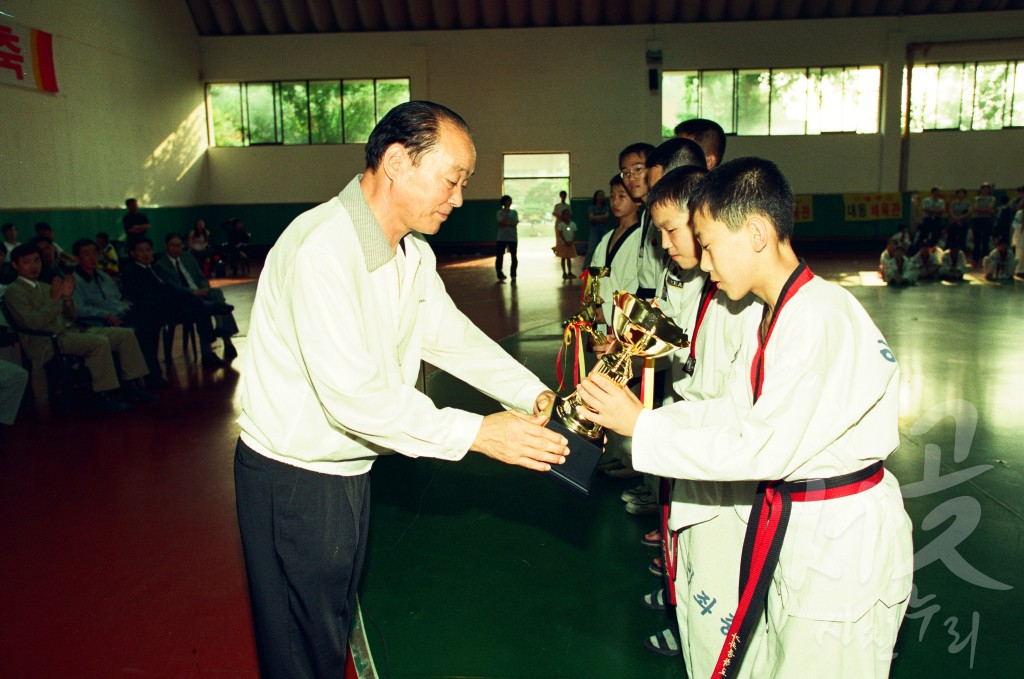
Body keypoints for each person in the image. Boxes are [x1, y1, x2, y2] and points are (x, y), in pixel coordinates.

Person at [233, 101, 569, 679]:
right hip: (295, 480)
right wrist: (478, 434)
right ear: (395, 162)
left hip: (349, 470)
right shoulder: (322, 250)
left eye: (463, 183)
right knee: (299, 646)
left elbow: (449, 336)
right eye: (452, 179)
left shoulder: (409, 252)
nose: (459, 198)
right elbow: (355, 398)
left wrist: (530, 393)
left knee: (328, 625)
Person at [576, 157, 913, 679]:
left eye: (708, 244)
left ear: (756, 233)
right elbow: (732, 411)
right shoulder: (777, 314)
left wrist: (643, 428)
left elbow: (762, 446)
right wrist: (640, 419)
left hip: (839, 543)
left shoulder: (821, 317)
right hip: (797, 525)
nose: (704, 264)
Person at [5, 244, 153, 412]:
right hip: (47, 341)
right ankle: (103, 394)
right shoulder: (13, 291)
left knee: (125, 335)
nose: (33, 266)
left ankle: (132, 385)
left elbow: (71, 317)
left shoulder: (45, 286)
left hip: (70, 331)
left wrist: (67, 299)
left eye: (36, 260)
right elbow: (33, 323)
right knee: (99, 342)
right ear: (15, 265)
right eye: (26, 262)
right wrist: (55, 299)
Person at [71, 238, 169, 387]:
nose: (92, 257)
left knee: (151, 319)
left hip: (121, 314)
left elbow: (118, 298)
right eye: (86, 254)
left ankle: (149, 375)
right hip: (100, 321)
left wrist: (127, 305)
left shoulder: (104, 276)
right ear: (76, 258)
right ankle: (144, 379)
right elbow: (79, 309)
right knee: (142, 329)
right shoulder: (74, 281)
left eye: (94, 253)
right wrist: (106, 315)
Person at [119, 237, 226, 369]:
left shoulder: (155, 268)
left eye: (148, 250)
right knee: (194, 302)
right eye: (141, 251)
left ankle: (208, 354)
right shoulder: (131, 271)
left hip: (171, 306)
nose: (145, 254)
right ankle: (212, 307)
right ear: (133, 253)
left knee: (199, 309)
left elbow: (171, 286)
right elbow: (142, 295)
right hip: (154, 310)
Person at [153, 232, 239, 359]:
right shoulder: (161, 265)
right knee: (212, 307)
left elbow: (201, 276)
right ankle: (215, 344)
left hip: (200, 291)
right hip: (183, 298)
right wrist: (193, 293)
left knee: (217, 294)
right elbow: (172, 287)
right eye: (173, 245)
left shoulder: (188, 257)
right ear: (166, 246)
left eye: (179, 245)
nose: (176, 248)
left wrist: (204, 288)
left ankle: (223, 333)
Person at [617, 142, 656, 298]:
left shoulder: (664, 213)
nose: (631, 178)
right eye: (625, 173)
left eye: (638, 169)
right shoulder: (646, 213)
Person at [582, 190, 610, 268]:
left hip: (604, 228)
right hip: (594, 229)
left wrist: (596, 218)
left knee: (605, 247)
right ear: (596, 197)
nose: (601, 197)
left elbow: (607, 217)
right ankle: (585, 267)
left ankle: (605, 267)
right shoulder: (591, 207)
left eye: (602, 195)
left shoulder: (606, 207)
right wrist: (601, 218)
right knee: (591, 249)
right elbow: (591, 218)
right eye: (599, 195)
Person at [494, 195, 518, 282]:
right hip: (501, 237)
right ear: (504, 202)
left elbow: (515, 223)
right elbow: (502, 222)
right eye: (508, 201)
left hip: (512, 237)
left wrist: (506, 224)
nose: (509, 202)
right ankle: (499, 274)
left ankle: (513, 274)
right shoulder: (499, 212)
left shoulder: (514, 212)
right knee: (500, 256)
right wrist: (507, 219)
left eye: (510, 201)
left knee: (514, 256)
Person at [971, 182, 997, 263]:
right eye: (983, 189)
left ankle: (985, 257)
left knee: (986, 239)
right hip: (978, 219)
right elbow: (975, 208)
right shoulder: (977, 198)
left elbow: (990, 208)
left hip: (987, 220)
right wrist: (986, 210)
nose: (985, 190)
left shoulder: (992, 198)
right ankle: (975, 257)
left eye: (987, 189)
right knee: (977, 239)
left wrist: (982, 210)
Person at [554, 207, 577, 279]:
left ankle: (569, 272)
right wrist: (565, 241)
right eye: (566, 214)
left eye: (568, 214)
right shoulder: (561, 225)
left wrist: (572, 241)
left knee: (569, 258)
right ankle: (564, 272)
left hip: (570, 244)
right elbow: (560, 234)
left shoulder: (573, 224)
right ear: (563, 216)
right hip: (564, 244)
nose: (567, 216)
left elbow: (574, 233)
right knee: (563, 258)